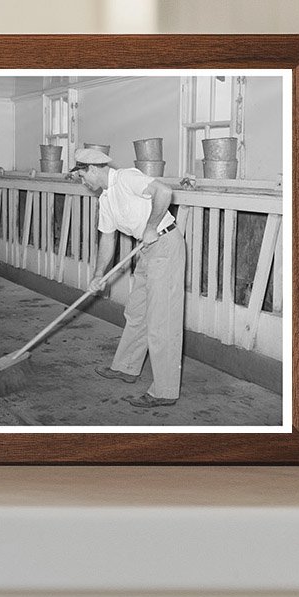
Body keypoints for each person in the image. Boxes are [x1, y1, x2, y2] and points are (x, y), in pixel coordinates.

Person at [71, 148, 187, 408]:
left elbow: (164, 192)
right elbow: (107, 237)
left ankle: (165, 391)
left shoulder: (126, 178)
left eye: (81, 176)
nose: (83, 182)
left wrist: (149, 227)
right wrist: (98, 275)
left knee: (161, 320)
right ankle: (126, 367)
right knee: (137, 313)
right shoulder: (106, 199)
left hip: (165, 243)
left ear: (92, 168)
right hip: (146, 250)